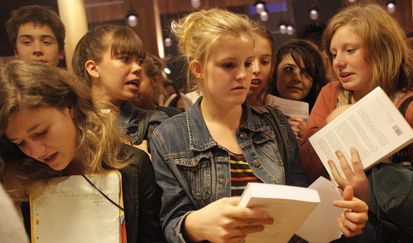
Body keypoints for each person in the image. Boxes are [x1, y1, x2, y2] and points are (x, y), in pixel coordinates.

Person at [149, 8, 368, 243]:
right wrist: (195, 224)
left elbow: (301, 203)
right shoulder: (169, 136)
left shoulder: (273, 124)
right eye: (229, 65)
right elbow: (171, 221)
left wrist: (341, 220)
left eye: (247, 63)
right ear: (199, 69)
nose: (244, 75)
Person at [0, 60, 165, 242]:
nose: (36, 151)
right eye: (20, 143)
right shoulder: (22, 180)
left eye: (41, 132)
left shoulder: (132, 166)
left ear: (69, 108)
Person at [300, 4, 413, 184]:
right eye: (333, 53)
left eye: (350, 50)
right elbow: (305, 170)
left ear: (381, 50)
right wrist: (329, 126)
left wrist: (369, 196)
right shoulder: (331, 94)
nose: (338, 62)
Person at [72, 24, 167, 149]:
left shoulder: (153, 124)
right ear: (93, 68)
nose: (138, 68)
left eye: (139, 61)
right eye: (125, 59)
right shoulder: (70, 122)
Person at [268, 39, 326, 143]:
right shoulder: (255, 115)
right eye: (289, 69)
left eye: (306, 72)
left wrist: (308, 138)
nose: (297, 78)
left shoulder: (323, 123)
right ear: (274, 71)